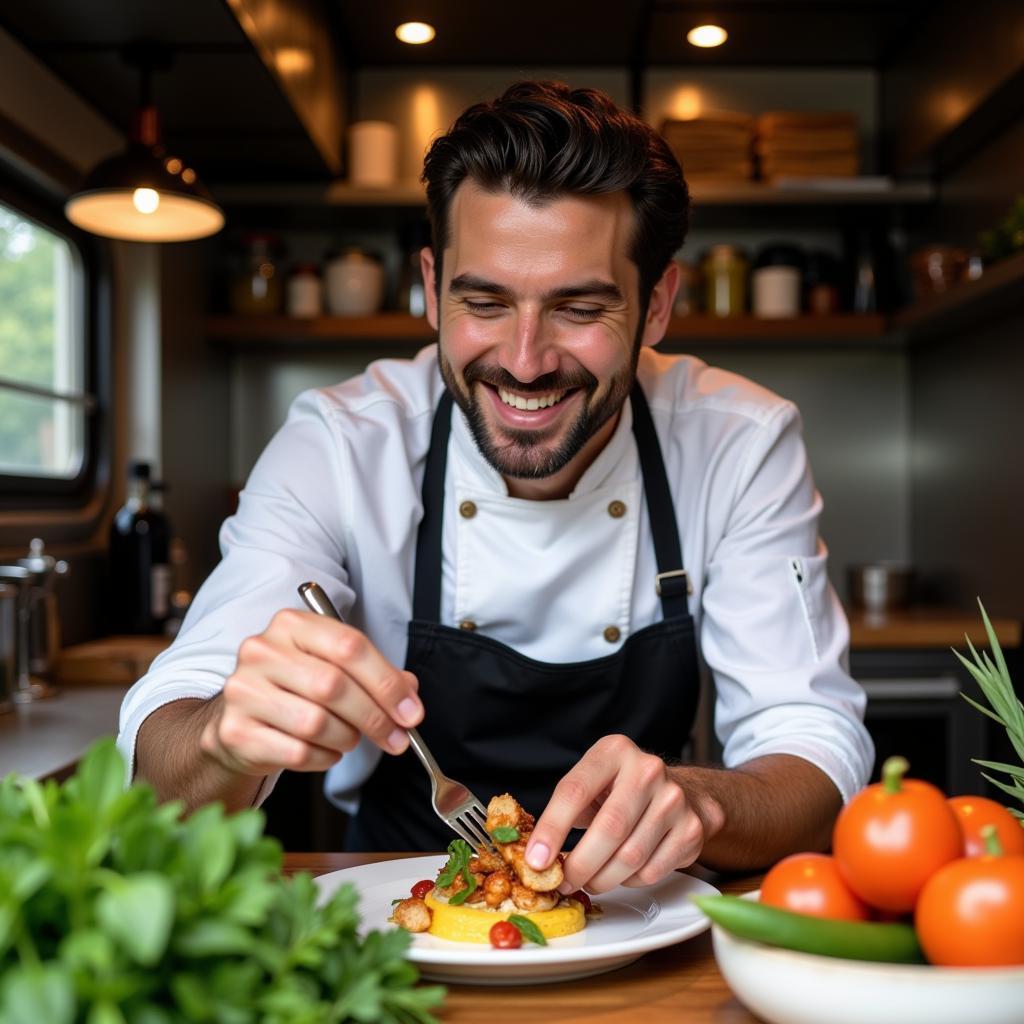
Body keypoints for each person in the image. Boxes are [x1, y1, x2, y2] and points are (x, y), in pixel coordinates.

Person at [120, 80, 873, 895]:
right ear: (432, 287)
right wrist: (222, 741)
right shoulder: (340, 444)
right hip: (390, 917)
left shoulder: (739, 441)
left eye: (578, 307)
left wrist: (700, 801)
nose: (524, 360)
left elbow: (813, 744)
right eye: (483, 301)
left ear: (656, 306)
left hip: (639, 921)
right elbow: (163, 754)